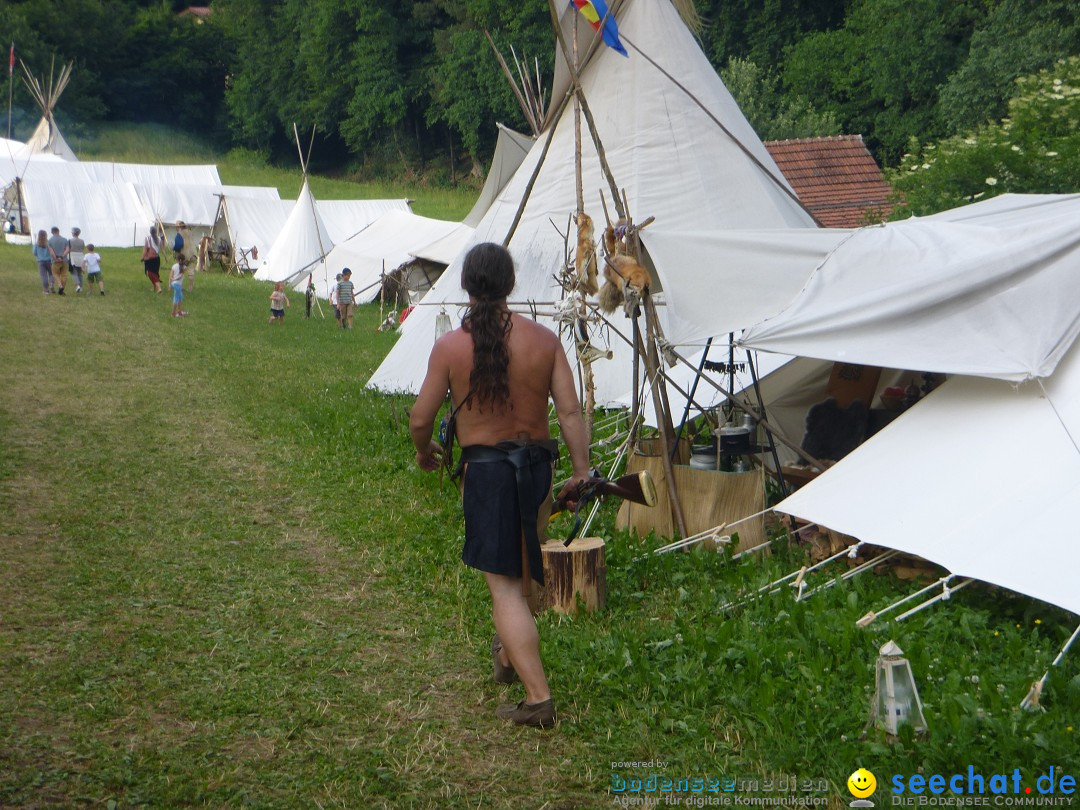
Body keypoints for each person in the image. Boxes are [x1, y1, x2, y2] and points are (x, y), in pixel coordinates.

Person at [409, 242, 590, 729]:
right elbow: (570, 412)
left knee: (506, 589)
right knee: (526, 564)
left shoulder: (450, 347)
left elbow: (421, 417)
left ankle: (538, 699)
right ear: (511, 284)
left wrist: (426, 452)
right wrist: (582, 470)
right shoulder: (544, 340)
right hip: (537, 469)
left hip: (487, 473)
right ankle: (509, 656)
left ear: (466, 284)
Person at [142, 223, 164, 293]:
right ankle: (154, 287)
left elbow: (145, 249)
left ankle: (159, 287)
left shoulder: (148, 238)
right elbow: (162, 249)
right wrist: (166, 257)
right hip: (157, 259)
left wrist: (142, 257)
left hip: (149, 259)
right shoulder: (159, 239)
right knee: (155, 273)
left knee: (151, 273)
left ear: (150, 232)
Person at [47, 226, 69, 295]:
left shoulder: (50, 240)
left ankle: (60, 285)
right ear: (58, 231)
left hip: (55, 261)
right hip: (64, 260)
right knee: (64, 275)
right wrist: (62, 257)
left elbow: (51, 251)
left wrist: (55, 258)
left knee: (55, 274)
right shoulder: (65, 240)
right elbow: (67, 249)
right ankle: (62, 290)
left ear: (52, 232)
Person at [32, 230, 52, 295]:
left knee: (44, 276)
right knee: (51, 274)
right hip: (49, 261)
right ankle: (52, 284)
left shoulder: (37, 244)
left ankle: (46, 289)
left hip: (41, 261)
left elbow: (34, 253)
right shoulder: (48, 243)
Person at [68, 227, 86, 293]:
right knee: (80, 272)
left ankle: (77, 284)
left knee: (73, 272)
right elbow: (82, 248)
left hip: (73, 256)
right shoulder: (82, 241)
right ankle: (81, 287)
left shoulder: (70, 241)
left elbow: (68, 249)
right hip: (80, 256)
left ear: (73, 233)